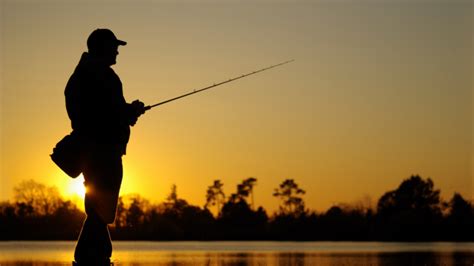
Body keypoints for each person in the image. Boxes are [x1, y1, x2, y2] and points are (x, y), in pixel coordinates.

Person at [65, 28, 145, 265]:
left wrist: (128, 111)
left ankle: (95, 256)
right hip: (103, 152)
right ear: (102, 48)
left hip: (93, 152)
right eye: (114, 47)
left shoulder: (82, 75)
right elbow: (108, 115)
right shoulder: (102, 76)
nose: (118, 52)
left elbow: (100, 113)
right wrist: (130, 111)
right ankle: (92, 257)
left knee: (98, 208)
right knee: (101, 208)